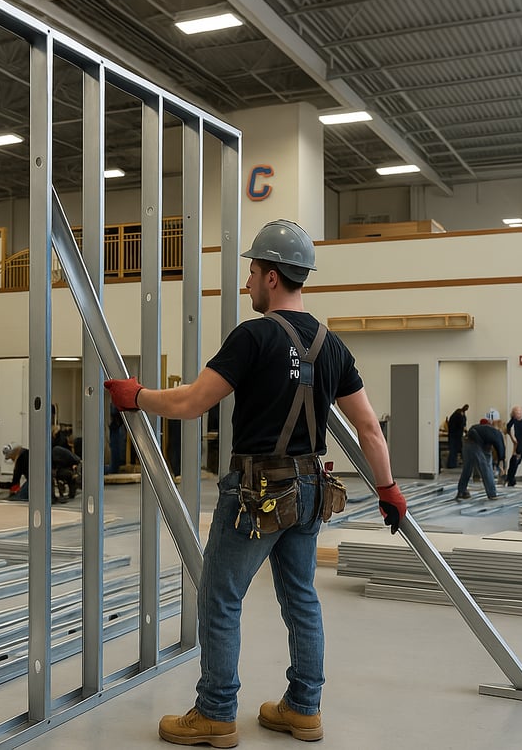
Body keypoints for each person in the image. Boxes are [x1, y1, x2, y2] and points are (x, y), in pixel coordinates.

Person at [104, 219, 407, 747]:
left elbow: (192, 402)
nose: (247, 282)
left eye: (252, 272)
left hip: (257, 492)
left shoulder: (253, 336)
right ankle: (304, 709)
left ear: (272, 277)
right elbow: (369, 429)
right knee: (301, 598)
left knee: (220, 597)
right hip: (310, 490)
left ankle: (216, 712)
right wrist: (388, 490)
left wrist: (138, 397)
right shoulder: (331, 345)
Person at [456, 409, 506, 501]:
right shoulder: (497, 434)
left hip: (467, 441)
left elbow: (487, 448)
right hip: (474, 442)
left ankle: (461, 491)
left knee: (467, 468)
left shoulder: (486, 429)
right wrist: (501, 463)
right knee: (486, 468)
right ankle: (492, 494)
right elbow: (501, 449)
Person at [445, 404, 468, 468]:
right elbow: (462, 425)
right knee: (455, 450)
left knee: (453, 450)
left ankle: (452, 464)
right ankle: (452, 465)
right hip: (456, 435)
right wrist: (466, 431)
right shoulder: (460, 415)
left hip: (452, 435)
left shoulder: (455, 415)